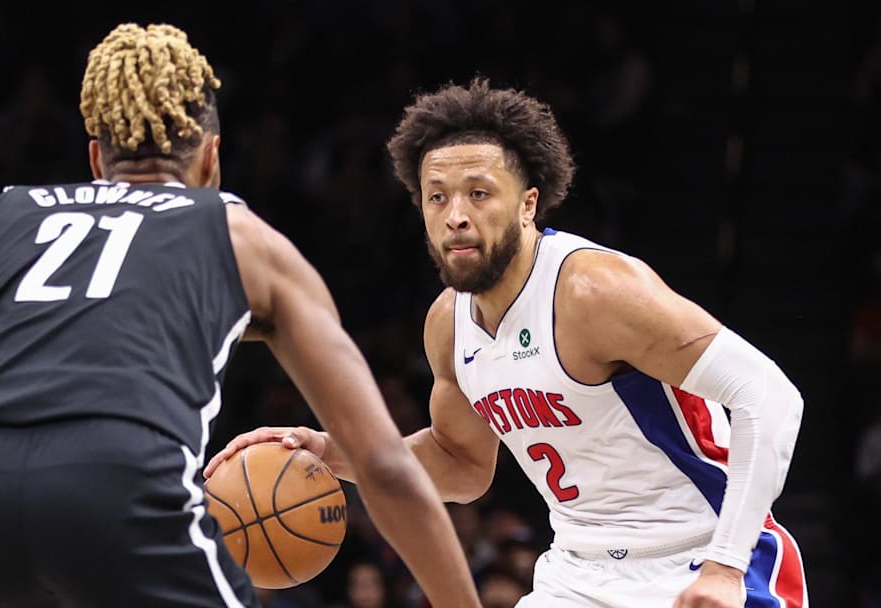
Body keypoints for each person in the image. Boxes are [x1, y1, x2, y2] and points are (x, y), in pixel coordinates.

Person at [0, 23, 480, 608]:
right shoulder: (241, 237)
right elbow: (382, 463)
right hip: (116, 480)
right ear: (212, 159)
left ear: (96, 159)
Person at [209, 77, 808, 607]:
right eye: (437, 196)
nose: (455, 215)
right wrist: (332, 454)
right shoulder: (448, 324)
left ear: (527, 205)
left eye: (479, 193)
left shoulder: (594, 291)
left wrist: (725, 566)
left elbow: (770, 395)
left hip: (701, 553)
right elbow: (462, 465)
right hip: (578, 572)